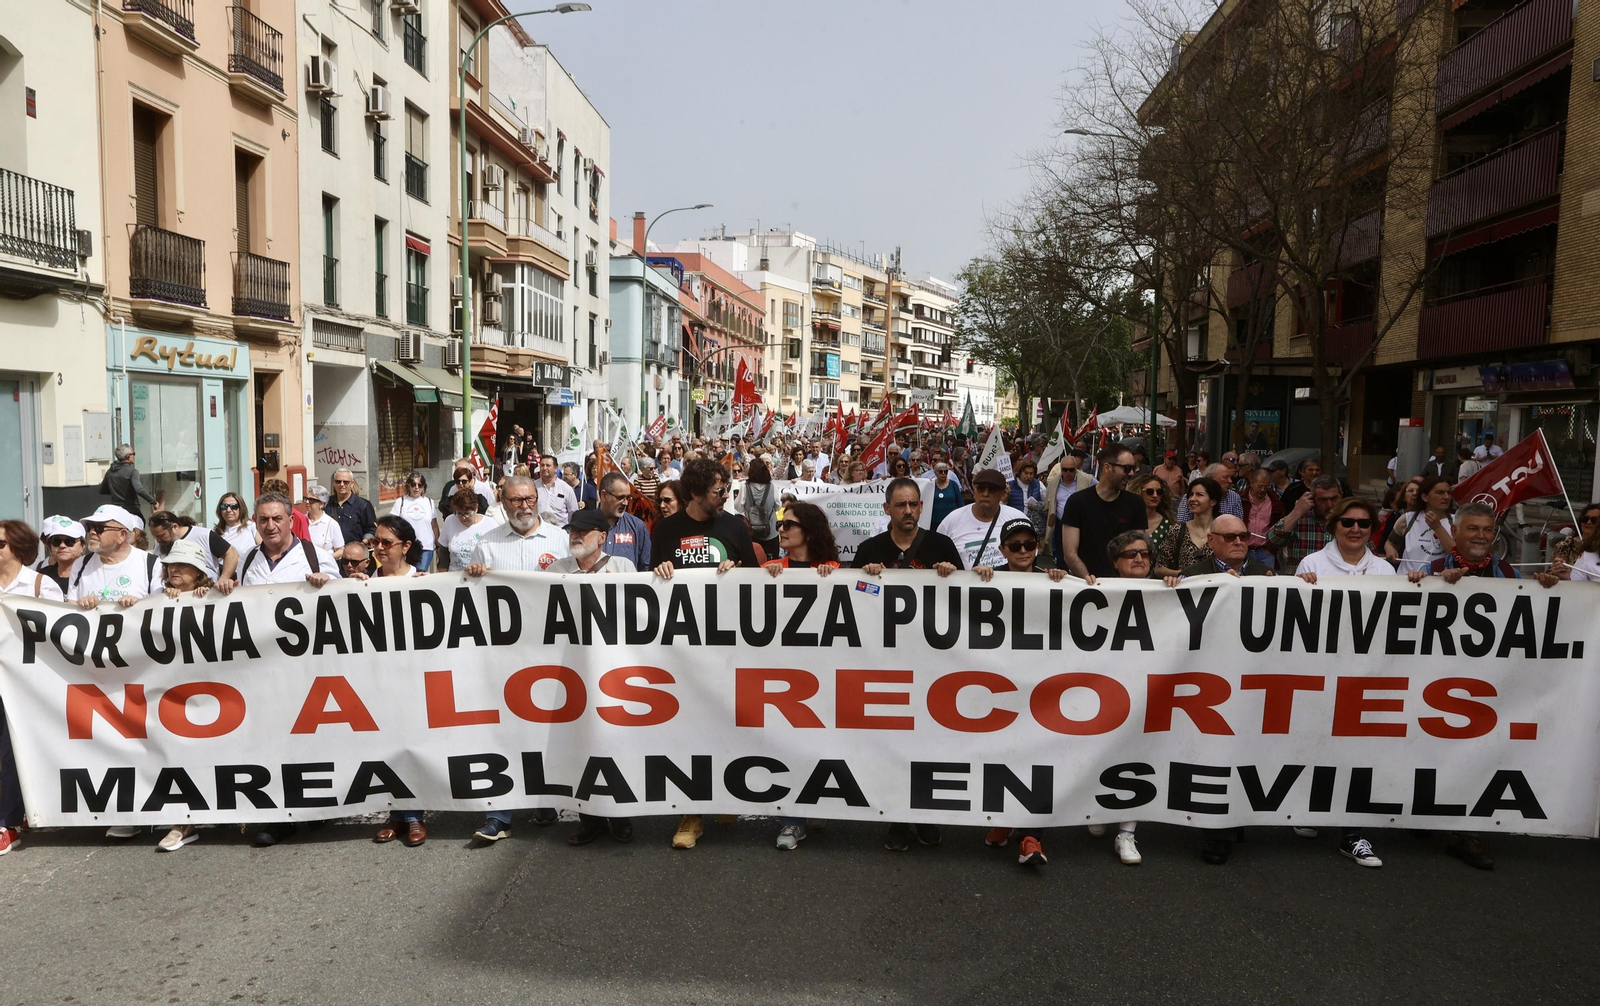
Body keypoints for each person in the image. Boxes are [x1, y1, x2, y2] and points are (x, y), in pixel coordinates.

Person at [1406, 501, 1557, 870]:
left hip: (1486, 688)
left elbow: (1531, 620)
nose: (1480, 536)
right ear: (1454, 532)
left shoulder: (1507, 573)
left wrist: (1547, 589)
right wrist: (1427, 584)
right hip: (1435, 685)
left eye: (1487, 530)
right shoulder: (1433, 568)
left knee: (1479, 754)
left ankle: (1466, 835)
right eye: (1472, 529)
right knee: (1427, 752)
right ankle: (1421, 814)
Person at [224, 493, 341, 847]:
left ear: (292, 520)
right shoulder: (248, 560)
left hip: (308, 667)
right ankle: (281, 815)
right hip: (262, 669)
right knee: (272, 738)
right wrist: (225, 587)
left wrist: (327, 584)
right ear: (255, 523)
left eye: (277, 519)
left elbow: (347, 603)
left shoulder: (314, 555)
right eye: (263, 520)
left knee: (313, 737)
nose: (270, 526)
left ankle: (321, 805)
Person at [851, 478, 959, 852]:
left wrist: (952, 576)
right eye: (901, 505)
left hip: (932, 665)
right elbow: (850, 604)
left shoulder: (941, 546)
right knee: (892, 746)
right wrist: (863, 580)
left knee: (929, 744)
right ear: (887, 509)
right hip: (886, 666)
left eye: (914, 504)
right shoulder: (869, 549)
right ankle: (896, 817)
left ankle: (927, 814)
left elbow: (965, 603)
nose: (909, 511)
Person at [462, 476, 570, 844]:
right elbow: (470, 596)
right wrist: (473, 576)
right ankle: (500, 814)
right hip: (504, 655)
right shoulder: (487, 544)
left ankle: (542, 799)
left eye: (529, 499)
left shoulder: (560, 540)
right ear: (502, 502)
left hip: (553, 652)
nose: (523, 506)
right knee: (504, 729)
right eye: (515, 500)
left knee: (547, 728)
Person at [972, 518, 1070, 866]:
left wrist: (1064, 581)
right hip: (999, 685)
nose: (1024, 551)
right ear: (1003, 550)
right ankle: (1003, 822)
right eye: (1016, 546)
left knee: (1038, 757)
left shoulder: (1053, 577)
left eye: (1030, 544)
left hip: (1043, 684)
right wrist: (971, 578)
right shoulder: (986, 576)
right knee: (1000, 754)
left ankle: (1031, 835)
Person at [543, 508, 639, 845]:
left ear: (602, 536)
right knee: (580, 745)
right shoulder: (556, 571)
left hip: (614, 673)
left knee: (615, 743)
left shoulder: (624, 568)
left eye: (584, 531)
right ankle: (591, 819)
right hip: (572, 673)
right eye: (572, 531)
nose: (576, 536)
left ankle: (621, 816)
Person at [760, 500, 840, 851]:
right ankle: (792, 820)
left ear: (808, 531)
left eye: (788, 525)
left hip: (824, 675)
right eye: (780, 524)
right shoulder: (771, 568)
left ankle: (815, 802)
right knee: (787, 744)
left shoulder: (836, 569)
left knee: (819, 745)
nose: (781, 530)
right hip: (784, 678)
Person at [355, 515, 429, 847]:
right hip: (378, 678)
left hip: (415, 677)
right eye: (376, 543)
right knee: (387, 747)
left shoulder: (424, 580)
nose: (380, 549)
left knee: (411, 744)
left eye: (387, 543)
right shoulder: (365, 581)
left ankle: (414, 817)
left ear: (406, 546)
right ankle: (397, 815)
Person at [147, 538, 217, 852]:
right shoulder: (157, 599)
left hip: (215, 692)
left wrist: (209, 598)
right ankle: (183, 820)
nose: (174, 569)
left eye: (182, 565)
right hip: (172, 692)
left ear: (199, 572)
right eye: (170, 565)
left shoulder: (217, 595)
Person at [0, 521, 62, 858]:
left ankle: (6, 822)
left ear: (17, 548)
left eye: (0, 544)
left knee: (12, 752)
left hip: (26, 683)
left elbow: (59, 634)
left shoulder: (41, 585)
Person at [650, 458, 760, 580]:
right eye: (719, 491)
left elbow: (755, 579)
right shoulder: (665, 529)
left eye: (727, 489)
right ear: (696, 494)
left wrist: (738, 574)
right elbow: (651, 579)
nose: (726, 496)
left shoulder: (737, 527)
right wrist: (660, 570)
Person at [1059, 444, 1145, 582]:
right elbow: (1070, 553)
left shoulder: (1136, 504)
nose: (1132, 474)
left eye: (1133, 468)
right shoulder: (1077, 502)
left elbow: (1140, 550)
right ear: (1107, 468)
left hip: (1124, 586)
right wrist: (1089, 580)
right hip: (1086, 587)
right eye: (1127, 468)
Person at [69, 505, 159, 612]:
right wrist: (81, 604)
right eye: (89, 527)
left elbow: (159, 608)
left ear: (122, 535)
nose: (92, 532)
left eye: (99, 528)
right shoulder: (80, 564)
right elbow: (70, 609)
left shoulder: (151, 564)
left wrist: (139, 604)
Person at [937, 468, 1026, 570]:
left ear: (1002, 494)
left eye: (992, 489)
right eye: (981, 489)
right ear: (974, 491)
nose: (985, 494)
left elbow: (1029, 558)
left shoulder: (1017, 519)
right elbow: (937, 556)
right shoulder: (951, 521)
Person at [1267, 475, 1345, 574]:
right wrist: (1297, 511)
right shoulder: (1298, 519)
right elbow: (1271, 542)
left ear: (1341, 496)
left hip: (1336, 585)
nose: (1329, 505)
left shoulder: (1351, 522)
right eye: (1323, 500)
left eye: (1334, 499)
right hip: (1300, 585)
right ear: (1312, 499)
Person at [1384, 475, 1455, 575]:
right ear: (1425, 497)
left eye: (1449, 493)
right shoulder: (1408, 519)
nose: (1446, 497)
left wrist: (1438, 528)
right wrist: (1390, 549)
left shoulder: (1456, 521)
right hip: (1408, 582)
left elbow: (1457, 556)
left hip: (1440, 584)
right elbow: (1390, 543)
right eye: (1440, 493)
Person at [148, 509, 239, 586]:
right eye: (155, 537)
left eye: (161, 535)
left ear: (175, 527)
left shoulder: (204, 535)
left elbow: (232, 554)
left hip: (207, 594)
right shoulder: (160, 543)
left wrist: (223, 579)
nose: (158, 540)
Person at [1155, 477, 1224, 578]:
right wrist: (1184, 574)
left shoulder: (1223, 531)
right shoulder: (1178, 530)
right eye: (1191, 495)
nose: (1192, 499)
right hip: (1184, 590)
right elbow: (1159, 568)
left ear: (1213, 501)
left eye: (1199, 495)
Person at [1046, 450, 1097, 566]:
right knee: (1061, 554)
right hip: (1060, 524)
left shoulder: (1088, 479)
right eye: (1065, 470)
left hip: (1081, 524)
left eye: (1071, 470)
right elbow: (1047, 503)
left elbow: (1100, 491)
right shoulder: (1054, 482)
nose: (1068, 472)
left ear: (1076, 468)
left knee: (1081, 552)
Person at [596, 471, 652, 569]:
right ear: (604, 495)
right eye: (620, 498)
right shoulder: (584, 525)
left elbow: (646, 566)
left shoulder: (637, 526)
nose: (626, 503)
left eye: (628, 498)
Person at [437, 486, 500, 572]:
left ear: (476, 508)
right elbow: (443, 552)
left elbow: (498, 553)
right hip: (455, 576)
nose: (463, 518)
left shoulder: (490, 524)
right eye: (459, 513)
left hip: (480, 577)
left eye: (467, 513)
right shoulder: (450, 521)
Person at [389, 471, 441, 571]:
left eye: (419, 485)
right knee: (407, 574)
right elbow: (393, 524)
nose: (416, 487)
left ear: (424, 487)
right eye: (413, 484)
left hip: (425, 547)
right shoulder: (401, 502)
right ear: (408, 486)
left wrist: (438, 544)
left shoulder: (429, 502)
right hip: (405, 546)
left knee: (420, 573)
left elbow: (434, 525)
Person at [97, 443, 161, 517]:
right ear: (128, 456)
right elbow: (139, 489)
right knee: (139, 526)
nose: (134, 456)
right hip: (131, 510)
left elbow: (102, 490)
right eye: (133, 453)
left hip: (116, 511)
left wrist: (116, 491)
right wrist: (153, 502)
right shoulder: (132, 472)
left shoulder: (110, 472)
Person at [1239, 468, 1285, 569]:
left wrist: (1272, 549)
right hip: (1244, 550)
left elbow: (1281, 526)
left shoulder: (1275, 503)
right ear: (1252, 482)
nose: (1263, 490)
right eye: (1259, 486)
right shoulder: (1241, 500)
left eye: (1266, 486)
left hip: (1266, 552)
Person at [36, 515, 86, 597]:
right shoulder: (43, 576)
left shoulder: (91, 573)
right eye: (56, 541)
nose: (62, 545)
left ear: (82, 545)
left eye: (69, 541)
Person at [326, 468, 377, 545]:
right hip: (332, 552)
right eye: (338, 481)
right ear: (333, 483)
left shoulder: (363, 505)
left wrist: (362, 544)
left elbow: (371, 529)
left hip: (353, 553)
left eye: (346, 482)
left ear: (352, 483)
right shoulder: (326, 503)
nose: (342, 484)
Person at [741, 457, 780, 557]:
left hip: (752, 532)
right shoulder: (772, 486)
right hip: (770, 531)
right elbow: (778, 505)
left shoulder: (744, 486)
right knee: (773, 561)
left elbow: (738, 505)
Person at [1128, 478, 1173, 564]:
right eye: (1149, 491)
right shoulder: (1127, 520)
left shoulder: (1168, 524)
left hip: (1158, 575)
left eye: (1159, 492)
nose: (1155, 495)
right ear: (1139, 492)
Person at [301, 484, 346, 557]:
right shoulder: (301, 520)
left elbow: (341, 549)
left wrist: (328, 558)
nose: (307, 502)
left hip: (324, 566)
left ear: (321, 504)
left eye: (311, 500)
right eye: (306, 499)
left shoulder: (331, 524)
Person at [1008, 460, 1047, 537]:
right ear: (1020, 472)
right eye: (1026, 473)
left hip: (1034, 526)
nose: (1028, 476)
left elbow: (1047, 504)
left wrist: (1036, 506)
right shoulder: (1009, 485)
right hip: (1015, 524)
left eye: (1031, 473)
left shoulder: (1039, 485)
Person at [536, 455, 579, 526]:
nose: (544, 468)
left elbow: (573, 513)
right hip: (539, 530)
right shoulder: (533, 487)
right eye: (542, 465)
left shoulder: (566, 489)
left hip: (560, 531)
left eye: (548, 465)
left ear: (555, 468)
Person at [929, 461, 964, 530]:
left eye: (945, 472)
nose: (943, 474)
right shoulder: (931, 485)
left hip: (951, 520)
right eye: (941, 472)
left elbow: (960, 502)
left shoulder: (953, 484)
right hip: (935, 521)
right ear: (935, 473)